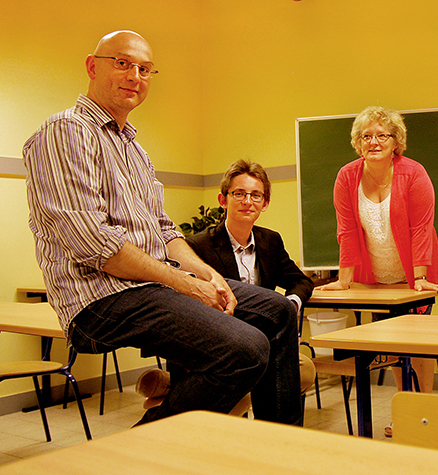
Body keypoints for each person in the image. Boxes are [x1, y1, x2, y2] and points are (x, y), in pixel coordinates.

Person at [23, 30, 302, 426]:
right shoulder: (65, 131)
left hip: (148, 286)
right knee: (245, 348)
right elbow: (93, 242)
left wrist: (207, 273)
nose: (134, 75)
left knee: (277, 311)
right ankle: (137, 450)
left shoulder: (134, 149)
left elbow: (163, 228)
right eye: (121, 63)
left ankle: (284, 443)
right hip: (100, 297)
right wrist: (185, 283)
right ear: (92, 66)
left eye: (144, 69)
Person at [316, 106, 438, 401]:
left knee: (419, 341)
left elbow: (422, 229)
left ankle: (422, 407)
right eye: (366, 136)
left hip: (416, 274)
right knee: (394, 343)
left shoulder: (413, 173)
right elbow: (346, 230)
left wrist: (420, 278)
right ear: (358, 143)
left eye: (382, 136)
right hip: (375, 278)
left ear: (395, 142)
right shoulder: (347, 177)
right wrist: (343, 280)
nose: (373, 142)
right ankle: (404, 403)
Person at [186, 159, 316, 397]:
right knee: (239, 389)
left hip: (267, 341)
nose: (247, 201)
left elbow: (301, 281)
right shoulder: (198, 246)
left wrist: (290, 304)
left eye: (256, 195)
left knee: (305, 371)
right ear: (223, 200)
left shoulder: (270, 242)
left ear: (265, 203)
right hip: (225, 345)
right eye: (239, 193)